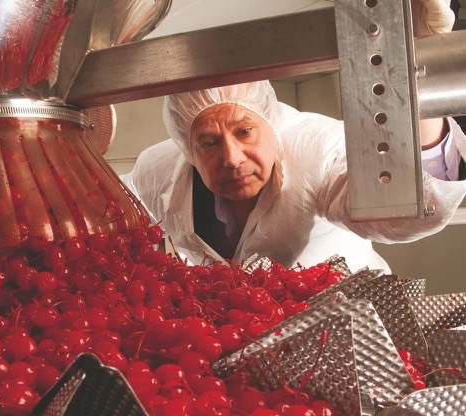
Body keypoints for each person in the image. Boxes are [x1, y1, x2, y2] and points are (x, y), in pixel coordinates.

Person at [122, 0, 466, 273]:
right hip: (239, 326)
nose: (232, 158)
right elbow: (117, 202)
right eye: (209, 143)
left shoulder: (318, 149)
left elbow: (404, 214)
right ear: (187, 148)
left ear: (269, 121)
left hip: (346, 321)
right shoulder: (158, 169)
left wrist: (417, 62)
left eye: (244, 131)